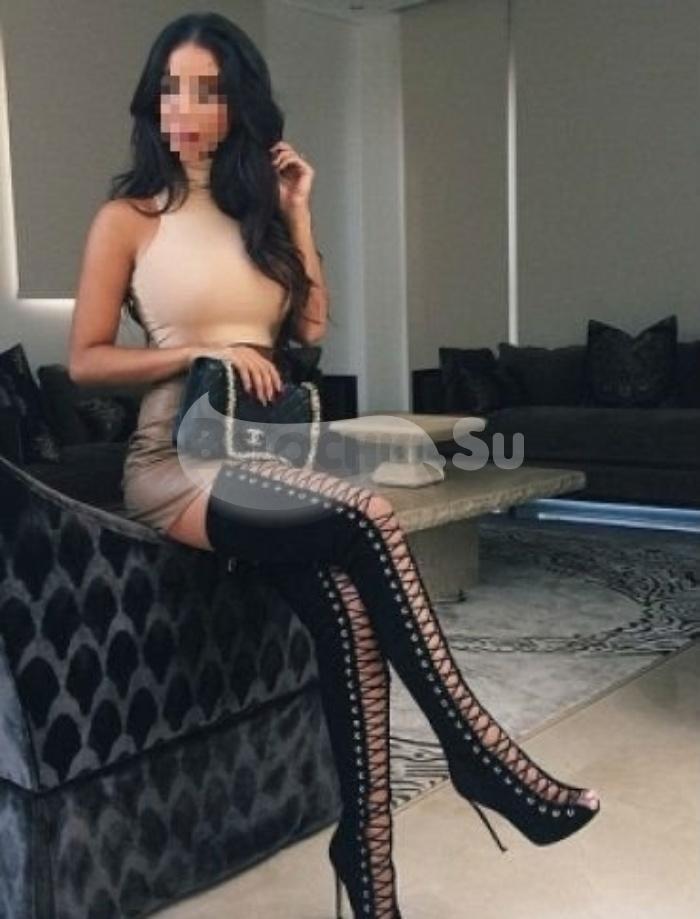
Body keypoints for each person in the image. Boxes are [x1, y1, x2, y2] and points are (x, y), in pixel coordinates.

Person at [68, 12, 600, 919]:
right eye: (171, 88)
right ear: (151, 102)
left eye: (208, 90)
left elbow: (310, 331)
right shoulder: (128, 218)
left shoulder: (260, 214)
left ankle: (368, 867)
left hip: (266, 452)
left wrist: (299, 211)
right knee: (371, 514)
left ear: (239, 105)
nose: (184, 109)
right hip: (176, 462)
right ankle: (479, 753)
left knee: (351, 613)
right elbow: (85, 359)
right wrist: (200, 353)